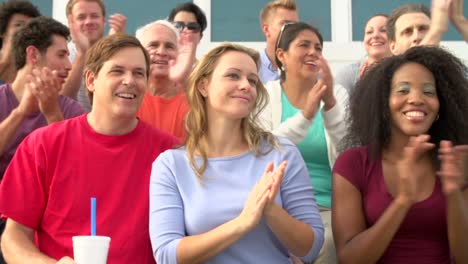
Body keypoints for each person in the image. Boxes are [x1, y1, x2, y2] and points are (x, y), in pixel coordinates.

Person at [0, 33, 178, 264]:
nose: (129, 80)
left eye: (139, 73)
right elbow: (13, 238)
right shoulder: (42, 144)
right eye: (117, 71)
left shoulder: (169, 152)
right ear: (91, 80)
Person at [149, 42, 324, 263]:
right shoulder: (171, 165)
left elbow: (311, 247)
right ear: (203, 86)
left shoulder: (281, 152)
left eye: (252, 80)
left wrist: (270, 210)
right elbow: (166, 255)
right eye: (233, 76)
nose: (246, 86)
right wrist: (242, 222)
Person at [332, 46, 468, 263]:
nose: (416, 98)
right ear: (384, 105)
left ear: (440, 107)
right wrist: (403, 201)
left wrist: (454, 192)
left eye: (429, 91)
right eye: (403, 90)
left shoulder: (455, 163)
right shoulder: (353, 164)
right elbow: (349, 259)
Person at [260, 22, 348, 264]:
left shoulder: (337, 94)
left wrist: (329, 106)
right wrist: (306, 115)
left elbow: (347, 156)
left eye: (318, 48)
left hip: (327, 209)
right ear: (281, 55)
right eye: (304, 45)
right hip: (278, 207)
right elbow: (264, 152)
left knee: (329, 244)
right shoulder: (266, 95)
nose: (313, 52)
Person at [62, 0, 127, 112]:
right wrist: (82, 54)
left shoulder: (118, 50)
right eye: (81, 17)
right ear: (70, 22)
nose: (88, 22)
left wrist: (115, 46)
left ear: (104, 19)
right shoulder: (62, 54)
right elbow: (62, 101)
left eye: (94, 16)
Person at [136, 20, 196, 140]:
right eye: (153, 45)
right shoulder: (127, 97)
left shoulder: (195, 101)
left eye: (169, 46)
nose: (161, 52)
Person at [335, 14, 391, 94]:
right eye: (369, 32)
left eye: (383, 30)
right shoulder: (348, 74)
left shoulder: (405, 71)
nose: (375, 35)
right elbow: (338, 106)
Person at [386, 0, 467, 55]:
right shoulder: (386, 77)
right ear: (393, 47)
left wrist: (459, 19)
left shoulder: (452, 73)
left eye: (423, 29)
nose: (417, 37)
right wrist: (436, 30)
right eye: (408, 31)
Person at [0, 0, 41, 84]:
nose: (25, 30)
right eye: (19, 25)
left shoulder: (34, 69)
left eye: (30, 26)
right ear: (3, 31)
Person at [258, 0, 299, 84]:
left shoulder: (304, 69)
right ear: (266, 30)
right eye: (285, 24)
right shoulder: (251, 68)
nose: (292, 29)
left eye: (295, 25)